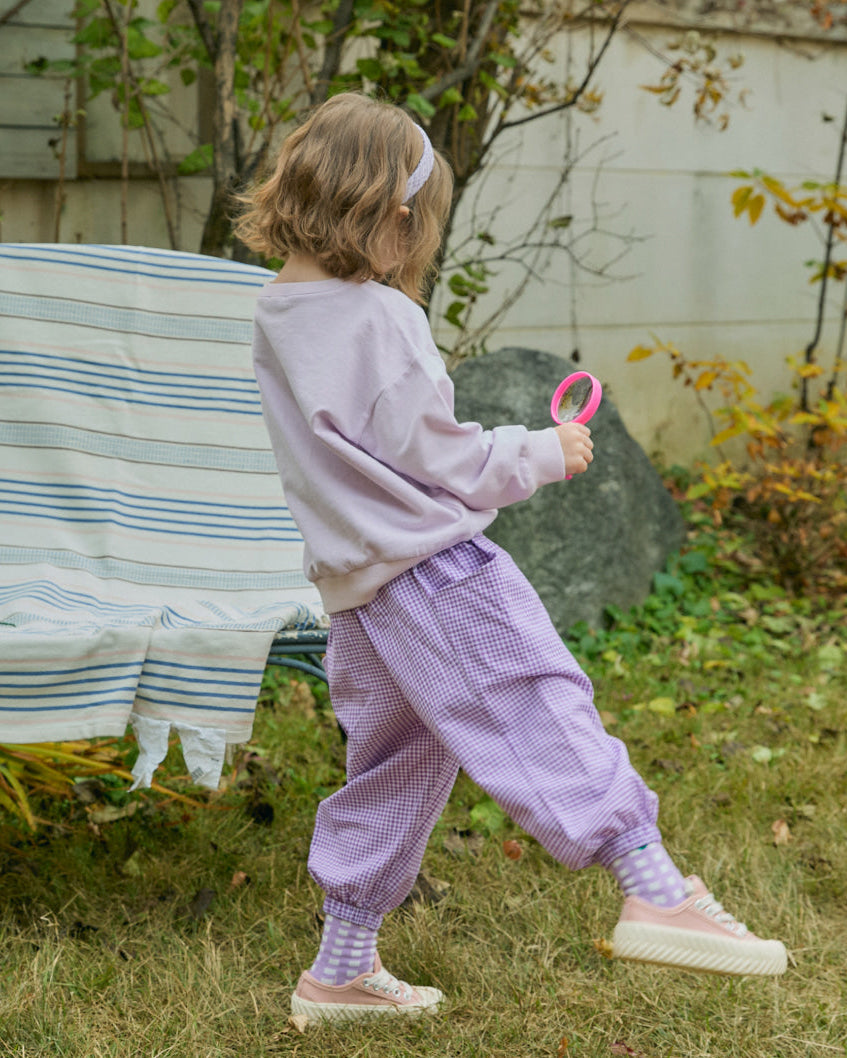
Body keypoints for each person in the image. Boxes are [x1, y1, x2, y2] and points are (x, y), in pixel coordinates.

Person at [236, 92, 787, 1025]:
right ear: (392, 217)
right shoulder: (378, 318)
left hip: (358, 597)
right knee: (535, 699)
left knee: (394, 767)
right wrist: (542, 451)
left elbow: (356, 454)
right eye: (420, 229)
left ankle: (339, 968)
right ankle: (648, 881)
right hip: (431, 573)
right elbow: (438, 455)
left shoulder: (275, 315)